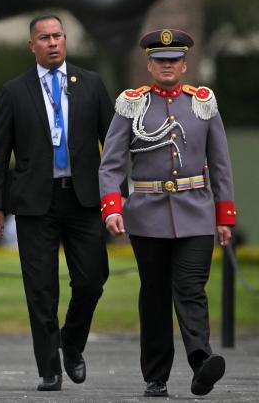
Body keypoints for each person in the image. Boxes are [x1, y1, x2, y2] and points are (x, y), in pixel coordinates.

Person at [99, 29, 235, 397]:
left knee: (191, 289)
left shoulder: (203, 102)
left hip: (196, 214)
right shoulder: (132, 104)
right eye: (160, 61)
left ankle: (201, 363)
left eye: (173, 60)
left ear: (184, 65)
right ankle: (155, 376)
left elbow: (219, 164)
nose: (167, 66)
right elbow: (110, 163)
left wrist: (225, 216)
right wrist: (112, 206)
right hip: (146, 215)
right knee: (155, 294)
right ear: (150, 65)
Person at [0, 15, 113, 391]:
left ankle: (71, 344)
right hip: (34, 203)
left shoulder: (90, 84)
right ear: (32, 46)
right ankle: (49, 368)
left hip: (84, 198)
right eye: (44, 38)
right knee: (40, 288)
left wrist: (116, 195)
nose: (53, 42)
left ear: (65, 40)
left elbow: (113, 143)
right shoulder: (14, 91)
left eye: (58, 36)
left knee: (92, 280)